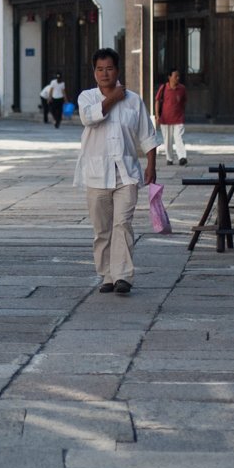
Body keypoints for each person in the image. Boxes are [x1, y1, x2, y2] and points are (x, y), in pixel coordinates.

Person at [75, 49, 160, 295]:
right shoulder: (87, 97)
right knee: (102, 229)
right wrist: (112, 98)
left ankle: (123, 276)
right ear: (94, 72)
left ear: (118, 70)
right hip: (97, 174)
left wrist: (151, 165)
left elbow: (147, 135)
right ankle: (107, 275)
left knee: (123, 223)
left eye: (109, 69)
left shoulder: (133, 100)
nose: (105, 74)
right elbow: (88, 118)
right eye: (100, 69)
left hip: (126, 173)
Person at [154, 68, 189, 166]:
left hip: (179, 118)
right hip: (165, 119)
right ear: (169, 77)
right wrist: (157, 115)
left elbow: (184, 101)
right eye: (175, 76)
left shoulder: (182, 88)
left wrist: (182, 112)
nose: (178, 78)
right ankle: (169, 158)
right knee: (167, 140)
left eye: (178, 76)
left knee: (179, 138)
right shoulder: (163, 88)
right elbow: (157, 101)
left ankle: (182, 157)